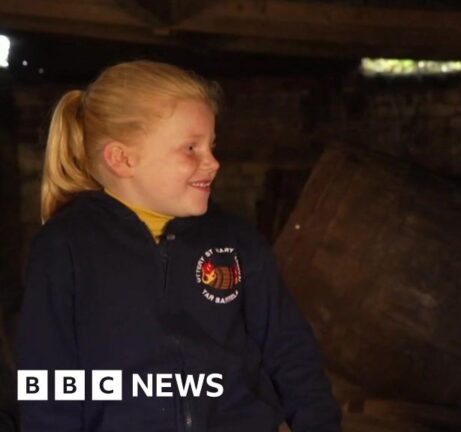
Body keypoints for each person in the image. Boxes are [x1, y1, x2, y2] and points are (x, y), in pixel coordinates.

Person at [17, 60, 341, 431]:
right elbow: (46, 381)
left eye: (211, 146)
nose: (213, 162)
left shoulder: (235, 241)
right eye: (191, 148)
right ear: (123, 159)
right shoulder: (65, 247)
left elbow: (291, 352)